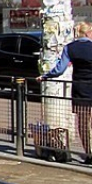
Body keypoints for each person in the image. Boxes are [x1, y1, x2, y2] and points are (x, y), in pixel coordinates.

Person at [38, 21, 92, 164]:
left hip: (81, 90)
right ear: (87, 33)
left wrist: (45, 76)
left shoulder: (70, 48)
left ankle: (89, 154)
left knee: (83, 123)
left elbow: (60, 69)